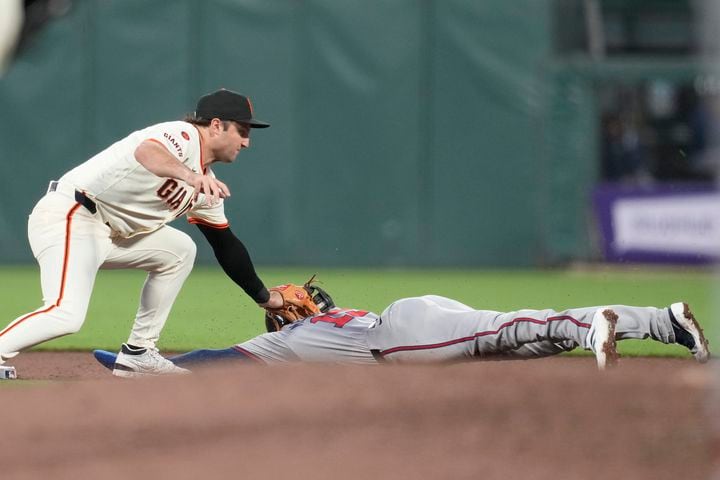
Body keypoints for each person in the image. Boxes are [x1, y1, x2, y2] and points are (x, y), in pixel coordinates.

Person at [1, 88, 285, 377]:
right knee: (66, 315)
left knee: (181, 251)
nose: (247, 142)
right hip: (71, 215)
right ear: (215, 125)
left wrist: (266, 299)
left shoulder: (206, 185)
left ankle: (139, 353)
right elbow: (146, 152)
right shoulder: (182, 136)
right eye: (242, 130)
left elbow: (226, 245)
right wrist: (190, 176)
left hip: (110, 235)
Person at [93, 290, 710, 373]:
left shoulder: (284, 341)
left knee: (497, 334)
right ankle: (663, 322)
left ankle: (585, 325)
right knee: (512, 336)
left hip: (400, 334)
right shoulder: (298, 329)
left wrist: (136, 362)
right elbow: (221, 354)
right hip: (408, 317)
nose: (298, 300)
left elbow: (214, 358)